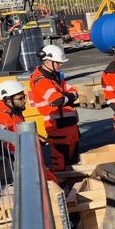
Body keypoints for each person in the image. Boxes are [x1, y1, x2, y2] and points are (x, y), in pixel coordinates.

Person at [0, 79, 55, 181]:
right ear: (8, 100)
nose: (25, 100)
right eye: (20, 98)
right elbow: (12, 147)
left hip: (24, 156)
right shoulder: (3, 116)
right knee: (47, 180)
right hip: (22, 160)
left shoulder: (12, 111)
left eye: (24, 97)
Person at [29, 44, 81, 172]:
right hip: (58, 128)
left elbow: (73, 92)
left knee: (73, 165)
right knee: (61, 166)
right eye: (58, 63)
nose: (60, 65)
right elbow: (56, 99)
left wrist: (66, 97)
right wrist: (67, 97)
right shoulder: (40, 79)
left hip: (69, 127)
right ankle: (63, 189)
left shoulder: (54, 76)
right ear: (47, 61)